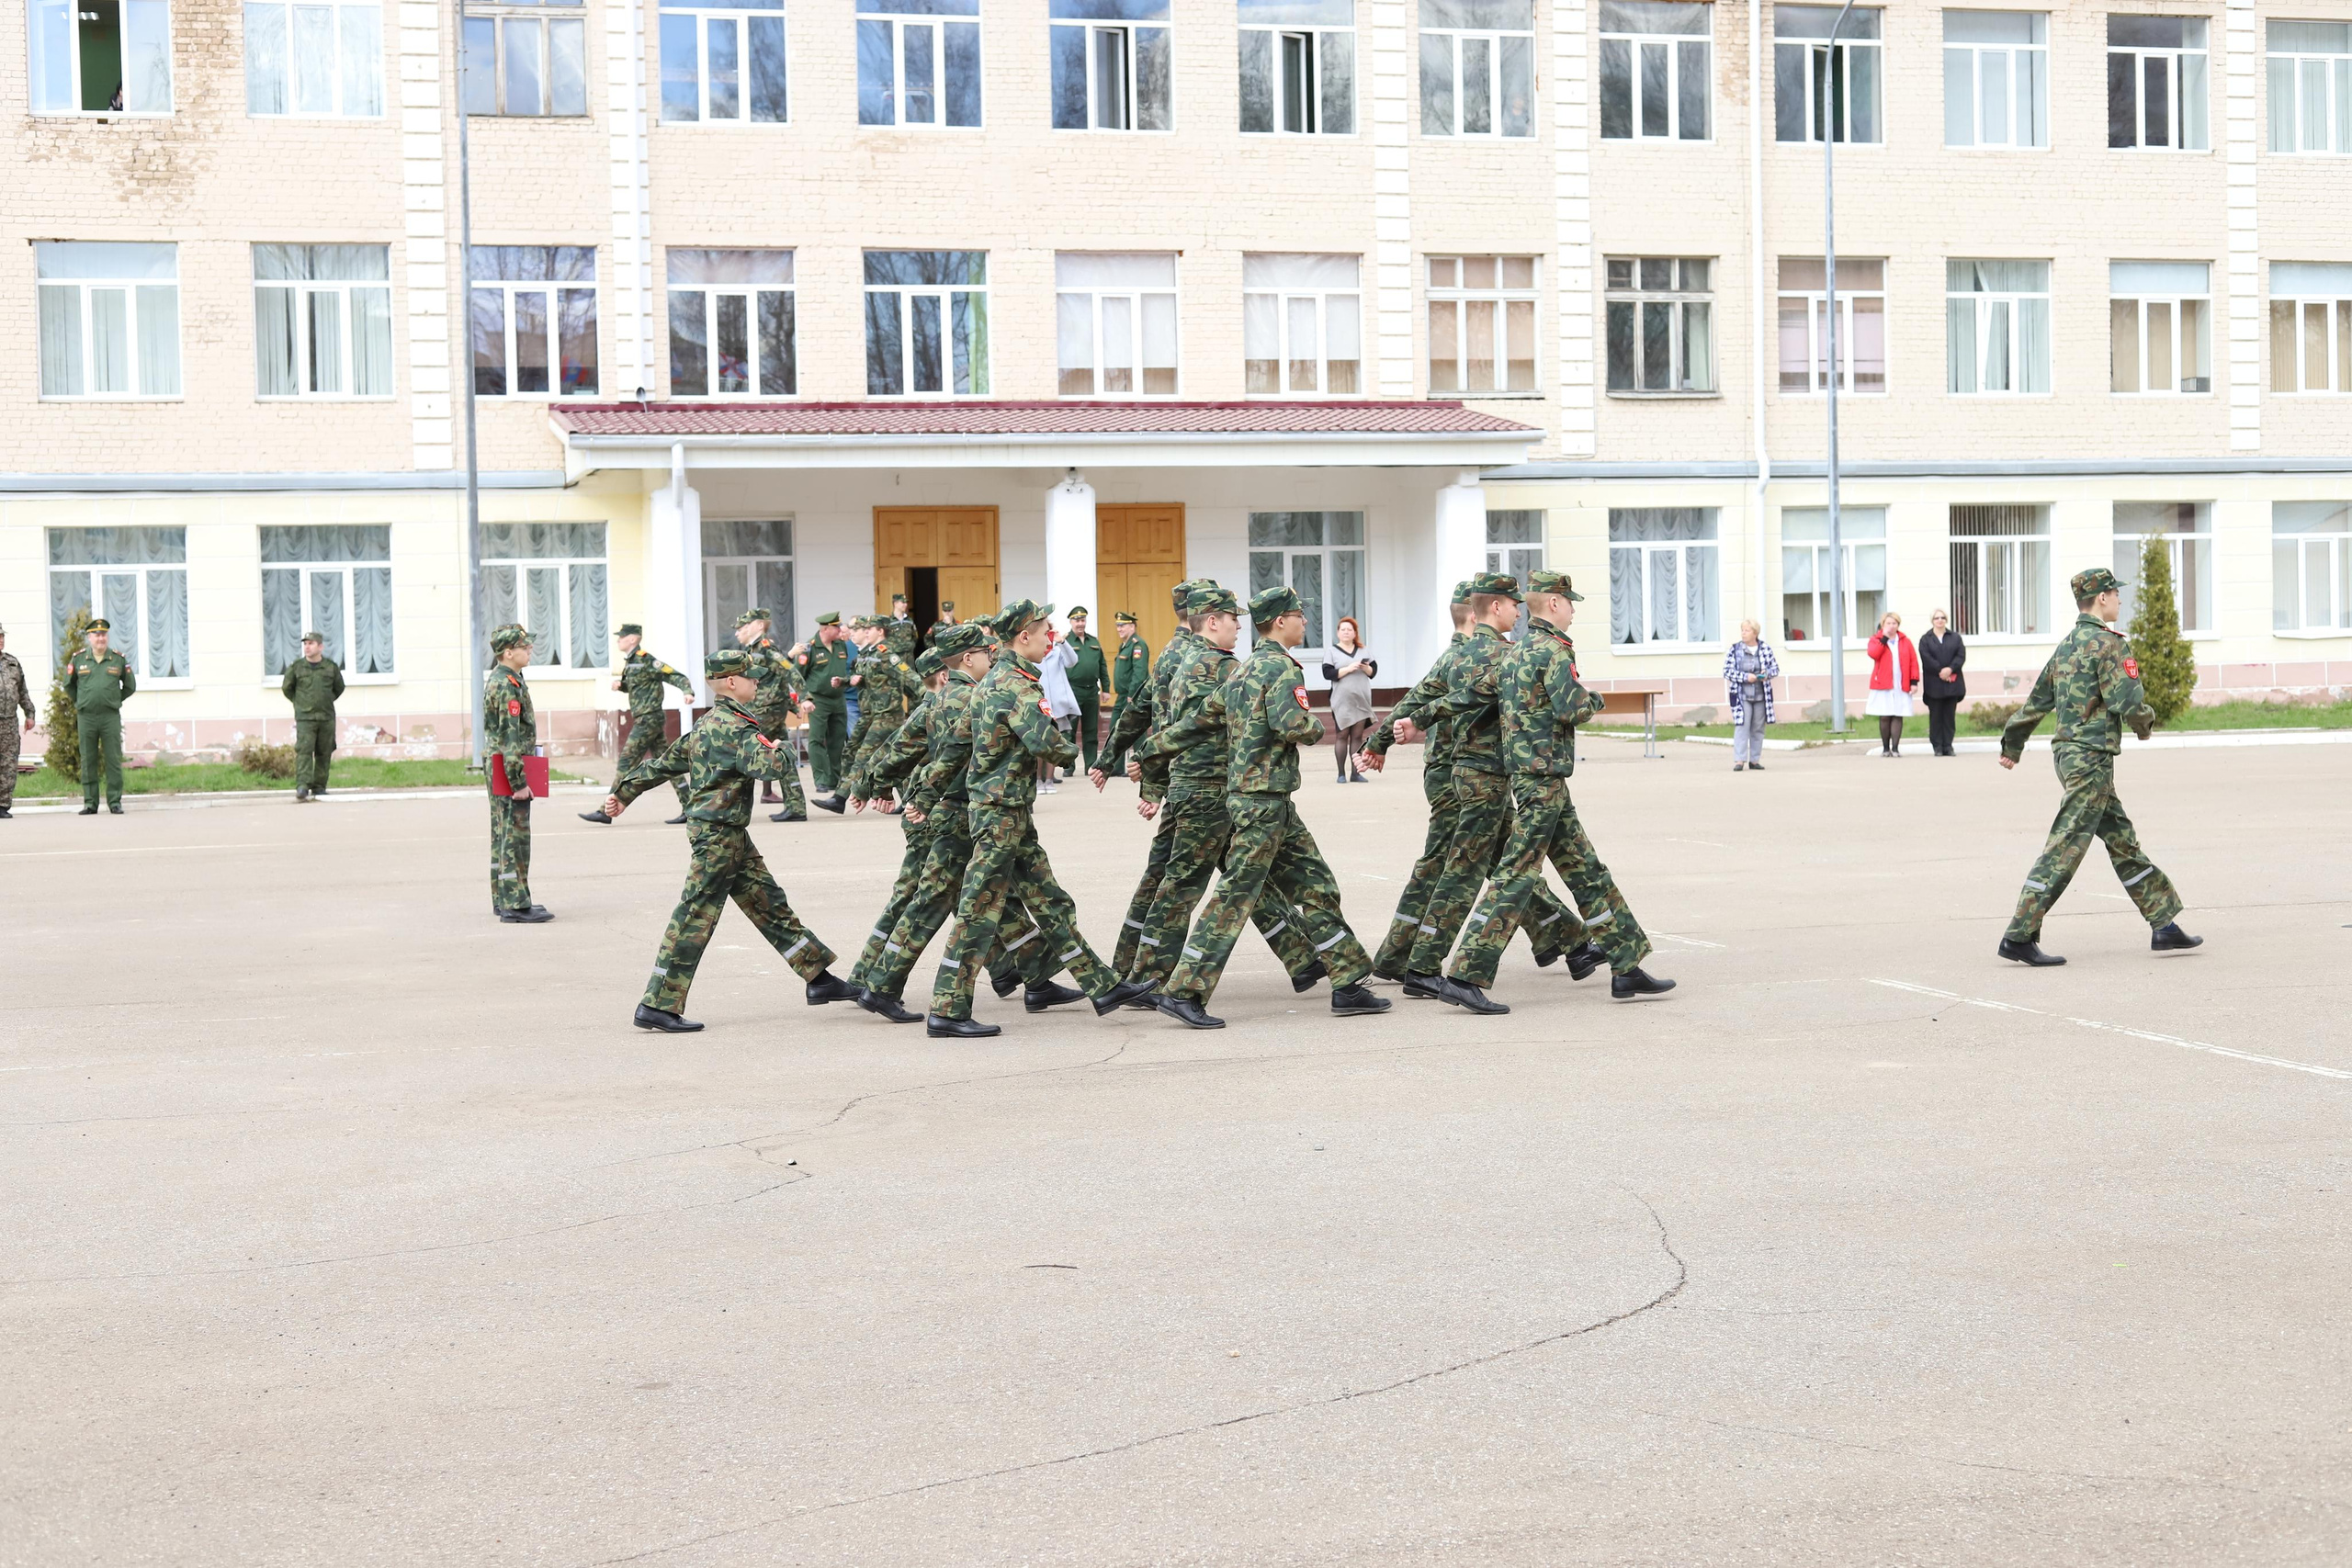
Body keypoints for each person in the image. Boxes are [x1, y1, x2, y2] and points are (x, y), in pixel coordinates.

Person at [1152, 585, 1391, 1029]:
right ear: (1281, 621)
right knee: (1235, 895)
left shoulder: (1242, 671)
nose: (1305, 621)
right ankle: (1185, 990)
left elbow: (1199, 719)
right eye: (1300, 615)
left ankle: (1349, 981)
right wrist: (1317, 728)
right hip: (1263, 803)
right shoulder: (1280, 669)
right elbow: (1292, 725)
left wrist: (1152, 747)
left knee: (1316, 885)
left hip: (1263, 800)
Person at [1441, 570, 1674, 1008]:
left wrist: (1419, 716)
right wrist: (1596, 700)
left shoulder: (1516, 652)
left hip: (1538, 780)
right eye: (1570, 603)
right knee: (1516, 874)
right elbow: (1572, 708)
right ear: (1553, 604)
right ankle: (1465, 973)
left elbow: (1474, 694)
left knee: (1588, 871)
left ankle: (1626, 965)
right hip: (1541, 780)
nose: (1573, 610)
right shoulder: (1551, 651)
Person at [598, 647, 858, 1031]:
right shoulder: (737, 729)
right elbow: (767, 765)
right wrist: (784, 747)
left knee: (769, 904)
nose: (757, 681)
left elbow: (662, 763)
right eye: (751, 676)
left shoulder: (709, 723)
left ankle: (817, 977)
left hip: (726, 833)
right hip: (718, 837)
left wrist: (623, 793)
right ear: (733, 682)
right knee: (695, 916)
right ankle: (658, 1004)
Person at [925, 601, 1154, 1037]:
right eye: (1045, 630)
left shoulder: (993, 681)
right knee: (977, 911)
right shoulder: (1017, 686)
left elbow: (956, 745)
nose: (1052, 637)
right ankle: (947, 1009)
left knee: (1050, 900)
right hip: (1000, 816)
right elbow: (1049, 745)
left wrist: (925, 790)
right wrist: (1079, 754)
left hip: (1007, 813)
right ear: (1022, 636)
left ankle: (1102, 986)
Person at [1369, 572, 1592, 999]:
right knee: (1472, 869)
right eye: (1512, 605)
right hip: (1487, 775)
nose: (1517, 611)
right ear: (1493, 608)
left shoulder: (1454, 657)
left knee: (1491, 865)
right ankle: (1420, 965)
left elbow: (1416, 701)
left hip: (1455, 773)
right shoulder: (1507, 656)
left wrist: (1379, 740)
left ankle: (1566, 941)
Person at [1996, 567, 2200, 966]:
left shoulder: (2067, 645)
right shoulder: (2109, 645)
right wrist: (2145, 725)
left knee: (2122, 838)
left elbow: (2037, 700)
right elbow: (2127, 701)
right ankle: (2018, 933)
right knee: (2067, 843)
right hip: (2091, 758)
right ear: (2102, 598)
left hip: (2070, 756)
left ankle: (2163, 923)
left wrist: (2013, 743)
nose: (2120, 600)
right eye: (2116, 594)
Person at [854, 623, 1054, 1023]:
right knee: (952, 898)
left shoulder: (938, 699)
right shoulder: (976, 697)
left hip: (949, 808)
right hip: (965, 809)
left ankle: (1029, 974)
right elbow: (960, 755)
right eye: (985, 654)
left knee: (983, 897)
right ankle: (881, 984)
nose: (991, 659)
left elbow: (900, 746)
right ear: (964, 661)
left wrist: (868, 783)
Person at [583, 622, 694, 825]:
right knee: (668, 766)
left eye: (622, 637)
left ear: (633, 639)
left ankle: (606, 810)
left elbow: (675, 675)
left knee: (626, 762)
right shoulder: (631, 661)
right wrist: (621, 685)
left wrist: (687, 691)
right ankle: (690, 808)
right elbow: (638, 686)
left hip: (648, 719)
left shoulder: (647, 661)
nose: (618, 640)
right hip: (647, 718)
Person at [483, 624, 549, 922]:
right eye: (524, 646)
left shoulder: (508, 678)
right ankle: (515, 904)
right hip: (509, 765)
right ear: (508, 652)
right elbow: (510, 736)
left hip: (501, 763)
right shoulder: (507, 684)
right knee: (515, 836)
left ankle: (504, 898)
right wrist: (519, 782)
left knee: (502, 832)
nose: (529, 650)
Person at [731, 609, 820, 822]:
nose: (738, 632)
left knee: (743, 752)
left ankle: (732, 806)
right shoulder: (754, 650)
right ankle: (796, 807)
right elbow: (776, 680)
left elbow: (789, 670)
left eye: (743, 627)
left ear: (759, 626)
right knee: (783, 756)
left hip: (765, 710)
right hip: (767, 708)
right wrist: (792, 704)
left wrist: (805, 697)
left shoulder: (766, 648)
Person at [841, 617, 922, 804]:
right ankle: (909, 800)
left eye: (870, 628)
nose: (865, 631)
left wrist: (931, 700)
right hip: (872, 713)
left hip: (888, 715)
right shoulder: (870, 653)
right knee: (892, 758)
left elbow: (910, 679)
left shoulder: (887, 654)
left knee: (864, 756)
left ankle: (841, 797)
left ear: (880, 631)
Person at [63, 617, 135, 815]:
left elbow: (130, 686)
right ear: (89, 637)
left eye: (103, 634)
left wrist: (115, 700)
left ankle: (114, 802)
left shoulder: (118, 659)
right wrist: (80, 702)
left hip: (110, 717)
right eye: (96, 634)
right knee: (88, 760)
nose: (100, 638)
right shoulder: (78, 659)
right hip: (86, 717)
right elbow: (68, 684)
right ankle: (90, 803)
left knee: (113, 759)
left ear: (107, 637)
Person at [280, 631, 345, 803]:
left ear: (320, 647)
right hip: (305, 717)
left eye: (311, 643)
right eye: (305, 644)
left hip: (326, 717)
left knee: (324, 752)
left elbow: (338, 688)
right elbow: (288, 688)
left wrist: (324, 701)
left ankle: (319, 786)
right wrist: (300, 703)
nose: (307, 647)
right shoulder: (297, 667)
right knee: (304, 751)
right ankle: (302, 786)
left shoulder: (330, 667)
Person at [797, 612, 854, 801]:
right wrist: (804, 699)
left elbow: (845, 670)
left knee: (838, 740)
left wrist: (844, 682)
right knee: (816, 739)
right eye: (836, 627)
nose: (840, 630)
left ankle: (834, 779)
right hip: (818, 699)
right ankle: (821, 779)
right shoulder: (809, 648)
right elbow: (797, 676)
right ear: (825, 629)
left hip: (838, 699)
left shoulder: (840, 645)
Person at [1321, 616, 1378, 783]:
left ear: (1355, 633)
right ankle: (1341, 773)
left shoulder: (1364, 651)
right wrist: (1348, 669)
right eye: (1343, 629)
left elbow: (1373, 672)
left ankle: (1356, 773)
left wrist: (1365, 667)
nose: (1346, 632)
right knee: (1342, 735)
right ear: (1338, 633)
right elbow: (1328, 674)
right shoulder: (1332, 652)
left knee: (1357, 736)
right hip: (1341, 700)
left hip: (1361, 699)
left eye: (1350, 629)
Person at [1722, 620, 1780, 773]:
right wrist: (1746, 677)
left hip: (1761, 695)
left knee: (1758, 728)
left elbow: (1775, 669)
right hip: (1742, 695)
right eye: (1742, 630)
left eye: (1747, 630)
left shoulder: (1765, 648)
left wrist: (1765, 675)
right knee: (1742, 726)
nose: (1743, 633)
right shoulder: (1735, 650)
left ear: (1755, 633)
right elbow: (1727, 671)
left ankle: (1755, 760)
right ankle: (1739, 760)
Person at [1864, 610, 1919, 757]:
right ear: (1883, 625)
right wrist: (1884, 639)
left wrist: (1914, 681)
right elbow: (1873, 653)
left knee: (1897, 714)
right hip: (1883, 683)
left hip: (1901, 683)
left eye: (1894, 623)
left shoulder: (1905, 641)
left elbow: (1913, 661)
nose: (1891, 626)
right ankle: (1885, 748)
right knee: (1885, 715)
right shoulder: (1876, 639)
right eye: (1888, 623)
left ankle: (1895, 748)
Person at [1061, 607, 1108, 772]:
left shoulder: (1094, 641)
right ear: (1071, 622)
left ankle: (1090, 765)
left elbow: (1102, 665)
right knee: (1070, 731)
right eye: (1077, 621)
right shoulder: (1065, 641)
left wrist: (1106, 689)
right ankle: (1068, 767)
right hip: (1073, 691)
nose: (1080, 624)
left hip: (1091, 691)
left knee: (1091, 730)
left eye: (1083, 620)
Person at [1035, 620, 1080, 794]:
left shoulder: (1056, 650)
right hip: (1040, 704)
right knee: (1039, 745)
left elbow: (1072, 661)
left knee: (1054, 743)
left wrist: (1062, 641)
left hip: (1058, 706)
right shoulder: (1034, 652)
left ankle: (1049, 781)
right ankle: (1038, 780)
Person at [0, 625, 38, 820]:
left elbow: (22, 691)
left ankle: (3, 805)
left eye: (2, 636)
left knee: (8, 763)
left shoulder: (12, 663)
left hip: (9, 722)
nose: (0, 640)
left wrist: (29, 714)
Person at [1919, 609, 1967, 757]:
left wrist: (1950, 669)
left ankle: (1948, 746)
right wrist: (1941, 671)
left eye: (1942, 618)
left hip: (1952, 684)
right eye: (1936, 618)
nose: (1939, 620)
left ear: (1946, 620)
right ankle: (1937, 747)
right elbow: (1926, 658)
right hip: (1934, 684)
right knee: (1936, 717)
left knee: (1949, 717)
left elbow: (1961, 656)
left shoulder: (1955, 637)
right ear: (1932, 621)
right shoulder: (1926, 639)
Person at [1107, 610, 1148, 739]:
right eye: (1118, 626)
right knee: (1115, 732)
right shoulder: (1124, 646)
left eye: (1122, 626)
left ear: (1132, 626)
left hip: (1133, 696)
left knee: (1136, 732)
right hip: (1122, 696)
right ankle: (1115, 760)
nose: (1119, 629)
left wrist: (1132, 694)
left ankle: (1140, 759)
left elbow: (1139, 672)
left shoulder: (1137, 645)